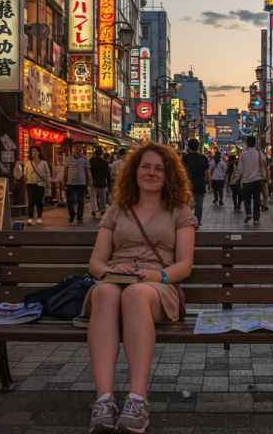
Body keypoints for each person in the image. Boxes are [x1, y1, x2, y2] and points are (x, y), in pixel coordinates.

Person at [86, 143, 197, 434]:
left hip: (158, 286)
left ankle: (137, 400)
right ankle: (104, 400)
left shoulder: (179, 210)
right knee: (105, 292)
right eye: (145, 166)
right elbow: (96, 263)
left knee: (136, 294)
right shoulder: (116, 210)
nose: (151, 173)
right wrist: (110, 271)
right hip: (117, 280)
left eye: (159, 168)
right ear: (134, 172)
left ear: (169, 174)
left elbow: (184, 265)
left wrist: (156, 276)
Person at [238, 136, 267, 225]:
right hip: (257, 180)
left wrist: (239, 179)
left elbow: (240, 169)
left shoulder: (243, 154)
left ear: (247, 143)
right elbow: (264, 163)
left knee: (246, 199)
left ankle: (248, 213)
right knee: (257, 200)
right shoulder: (259, 153)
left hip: (246, 181)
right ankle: (256, 218)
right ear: (255, 143)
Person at [182, 139, 209, 227]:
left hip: (187, 185)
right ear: (198, 146)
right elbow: (207, 173)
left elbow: (182, 172)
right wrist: (209, 185)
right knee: (199, 206)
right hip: (200, 185)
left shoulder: (185, 158)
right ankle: (197, 222)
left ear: (189, 147)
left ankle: (187, 221)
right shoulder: (203, 158)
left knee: (187, 205)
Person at [64, 143, 91, 225]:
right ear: (73, 149)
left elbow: (87, 171)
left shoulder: (85, 159)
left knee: (80, 201)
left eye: (79, 148)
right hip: (70, 183)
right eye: (76, 148)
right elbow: (65, 170)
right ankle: (72, 216)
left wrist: (90, 180)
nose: (78, 150)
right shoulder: (68, 159)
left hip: (81, 183)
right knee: (70, 201)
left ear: (81, 150)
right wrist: (64, 181)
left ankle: (79, 217)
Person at [24, 147, 51, 225]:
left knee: (39, 201)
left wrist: (48, 183)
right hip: (30, 184)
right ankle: (30, 218)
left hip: (40, 184)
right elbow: (25, 173)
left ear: (39, 152)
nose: (33, 153)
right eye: (32, 151)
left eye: (35, 151)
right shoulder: (28, 162)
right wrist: (25, 179)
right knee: (31, 201)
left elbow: (48, 174)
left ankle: (39, 217)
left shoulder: (44, 163)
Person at [90, 148, 111, 218]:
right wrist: (108, 182)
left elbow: (88, 172)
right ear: (101, 154)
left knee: (93, 197)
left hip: (93, 181)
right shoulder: (105, 162)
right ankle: (103, 209)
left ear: (95, 154)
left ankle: (94, 209)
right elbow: (107, 174)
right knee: (103, 197)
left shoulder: (91, 161)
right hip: (102, 182)